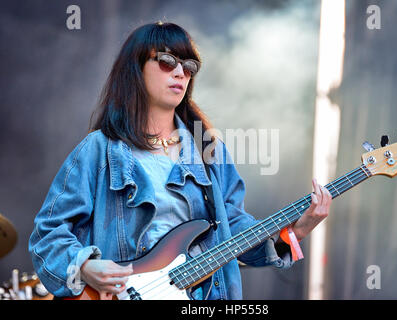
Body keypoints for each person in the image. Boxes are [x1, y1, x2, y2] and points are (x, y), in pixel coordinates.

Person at [28, 22, 332, 300]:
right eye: (167, 61)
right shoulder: (99, 150)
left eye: (188, 66)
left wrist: (295, 232)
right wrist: (84, 267)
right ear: (135, 68)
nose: (180, 73)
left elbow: (234, 229)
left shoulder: (208, 150)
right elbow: (48, 232)